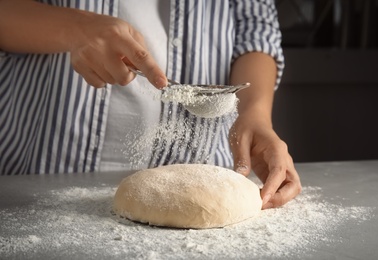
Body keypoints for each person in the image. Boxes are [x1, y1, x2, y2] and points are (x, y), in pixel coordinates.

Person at [0, 0, 301, 209]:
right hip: (51, 169)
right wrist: (79, 27)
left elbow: (256, 30)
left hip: (207, 173)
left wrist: (255, 114)